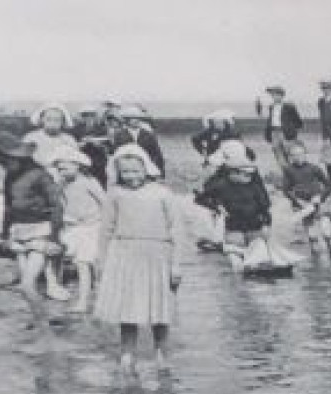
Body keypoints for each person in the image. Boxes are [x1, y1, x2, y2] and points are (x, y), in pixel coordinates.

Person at [95, 144, 183, 372]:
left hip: (158, 254)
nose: (131, 176)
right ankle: (127, 353)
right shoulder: (115, 195)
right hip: (124, 253)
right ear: (118, 172)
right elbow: (106, 230)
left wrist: (177, 264)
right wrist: (102, 261)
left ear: (147, 168)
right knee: (128, 307)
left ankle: (161, 351)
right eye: (126, 172)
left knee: (160, 307)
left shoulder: (163, 194)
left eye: (136, 170)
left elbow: (177, 231)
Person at [0, 129, 69, 304]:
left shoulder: (40, 175)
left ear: (19, 158)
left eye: (6, 163)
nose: (4, 167)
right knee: (27, 287)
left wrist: (54, 238)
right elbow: (8, 207)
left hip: (41, 230)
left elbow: (57, 206)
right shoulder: (10, 176)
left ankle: (42, 322)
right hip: (19, 231)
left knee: (27, 284)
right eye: (1, 164)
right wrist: (4, 235)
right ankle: (41, 320)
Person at [196, 140, 274, 274]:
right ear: (233, 172)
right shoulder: (221, 183)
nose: (248, 176)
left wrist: (267, 223)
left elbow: (265, 205)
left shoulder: (253, 183)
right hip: (234, 226)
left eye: (250, 174)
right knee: (238, 264)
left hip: (254, 226)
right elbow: (201, 197)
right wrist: (216, 206)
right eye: (245, 174)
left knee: (258, 264)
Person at [48, 148, 105, 312]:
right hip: (73, 227)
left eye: (64, 168)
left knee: (84, 263)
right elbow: (63, 203)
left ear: (77, 166)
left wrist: (105, 222)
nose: (61, 172)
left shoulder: (89, 182)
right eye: (58, 169)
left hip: (92, 226)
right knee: (57, 252)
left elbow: (105, 202)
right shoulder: (62, 184)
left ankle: (84, 301)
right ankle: (55, 285)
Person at [282, 142, 331, 259]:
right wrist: (297, 201)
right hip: (303, 206)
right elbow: (286, 190)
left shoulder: (314, 168)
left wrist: (320, 197)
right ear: (290, 157)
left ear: (306, 154)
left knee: (327, 233)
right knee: (312, 236)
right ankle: (316, 267)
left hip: (319, 203)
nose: (298, 158)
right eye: (294, 155)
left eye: (301, 154)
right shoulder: (288, 170)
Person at [107, 104, 166, 177]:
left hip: (146, 169)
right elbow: (115, 154)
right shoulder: (120, 135)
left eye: (138, 118)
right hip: (127, 170)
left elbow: (157, 154)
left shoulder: (148, 135)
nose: (136, 120)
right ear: (127, 119)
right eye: (133, 118)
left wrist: (160, 172)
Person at [259, 85, 304, 169]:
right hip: (274, 133)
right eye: (272, 95)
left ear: (281, 95)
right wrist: (268, 133)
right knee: (278, 155)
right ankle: (286, 174)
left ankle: (295, 174)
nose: (273, 96)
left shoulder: (289, 107)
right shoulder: (271, 107)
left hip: (286, 133)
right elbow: (270, 120)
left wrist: (292, 131)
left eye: (275, 94)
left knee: (291, 154)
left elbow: (298, 122)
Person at [25, 103, 81, 168]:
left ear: (62, 122)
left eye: (57, 120)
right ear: (42, 120)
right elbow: (25, 159)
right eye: (48, 119)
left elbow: (77, 159)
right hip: (37, 171)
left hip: (64, 171)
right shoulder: (31, 137)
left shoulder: (69, 139)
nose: (52, 124)